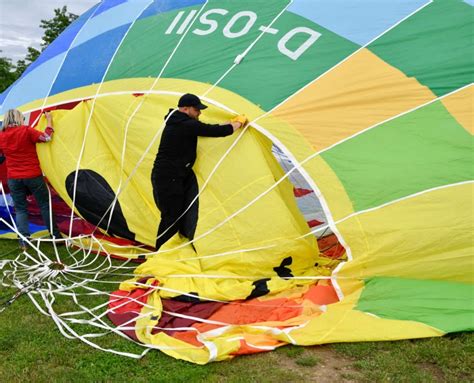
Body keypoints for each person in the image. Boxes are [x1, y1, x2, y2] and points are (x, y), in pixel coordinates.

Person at [151, 93, 247, 250]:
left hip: (171, 177)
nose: (199, 113)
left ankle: (170, 249)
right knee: (171, 217)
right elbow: (216, 131)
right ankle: (159, 253)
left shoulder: (179, 122)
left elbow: (206, 128)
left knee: (175, 215)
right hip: (168, 178)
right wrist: (238, 124)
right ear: (185, 109)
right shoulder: (185, 124)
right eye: (197, 110)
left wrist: (230, 122)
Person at [0, 109, 61, 249]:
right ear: (18, 118)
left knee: (21, 209)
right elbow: (47, 137)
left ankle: (23, 241)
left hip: (14, 178)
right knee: (44, 205)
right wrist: (49, 120)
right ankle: (56, 237)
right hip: (33, 175)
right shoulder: (26, 130)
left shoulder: (1, 135)